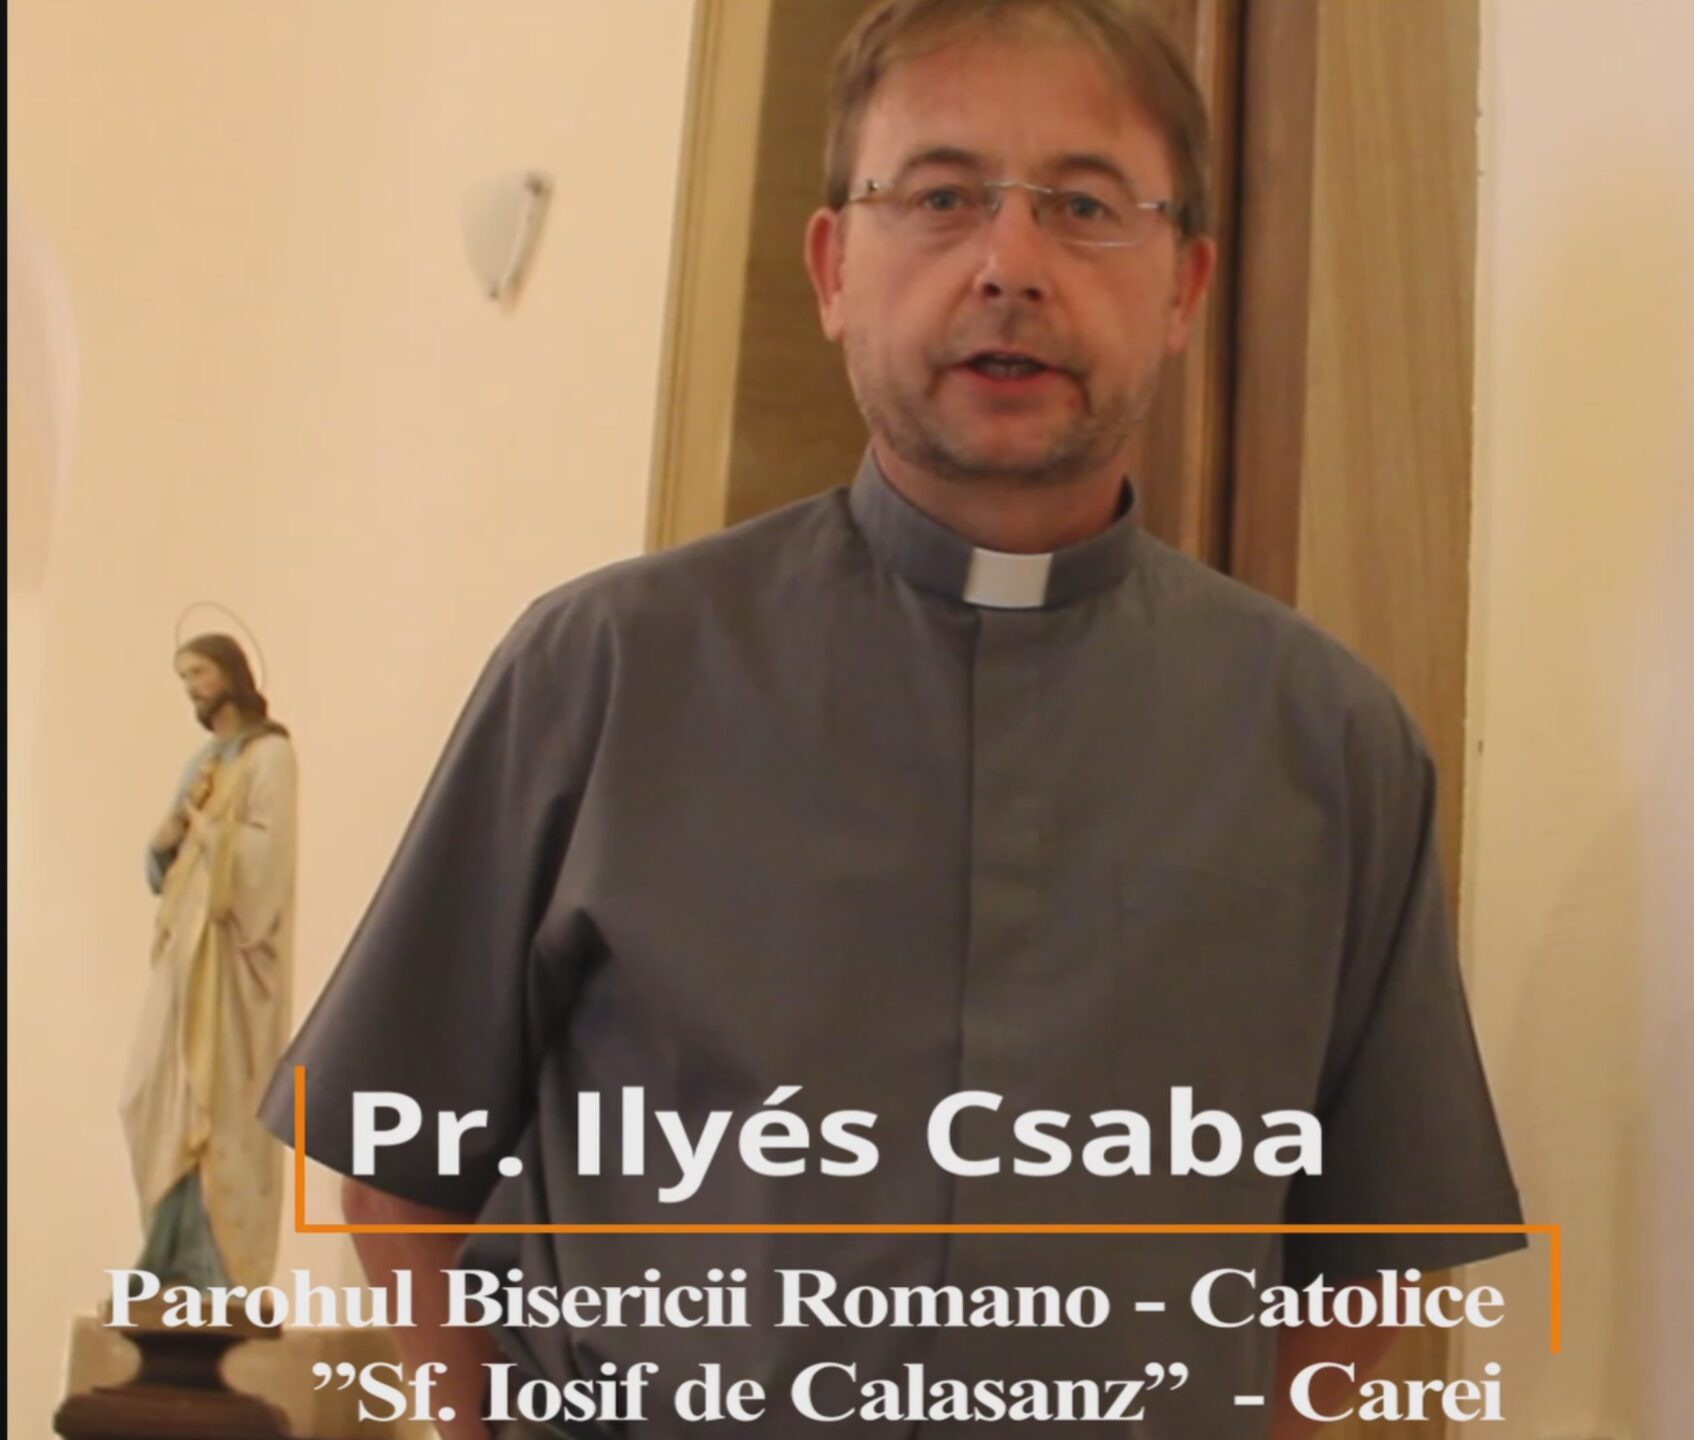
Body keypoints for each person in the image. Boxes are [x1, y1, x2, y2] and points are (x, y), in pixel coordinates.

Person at [261, 1, 1520, 1435]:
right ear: (831, 270)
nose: (1010, 264)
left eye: (1085, 206)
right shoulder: (604, 672)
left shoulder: (1330, 740)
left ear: (1184, 287)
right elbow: (397, 1158)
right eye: (938, 197)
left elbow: (1373, 1250)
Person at [127, 631, 297, 1290]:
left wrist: (209, 834)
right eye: (185, 678)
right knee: (150, 1094)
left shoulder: (271, 755)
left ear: (230, 673)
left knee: (217, 1102)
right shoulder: (203, 760)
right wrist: (165, 840)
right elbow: (165, 865)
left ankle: (217, 1267)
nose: (192, 689)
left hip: (230, 960)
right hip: (184, 950)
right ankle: (165, 1252)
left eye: (199, 673)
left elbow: (266, 860)